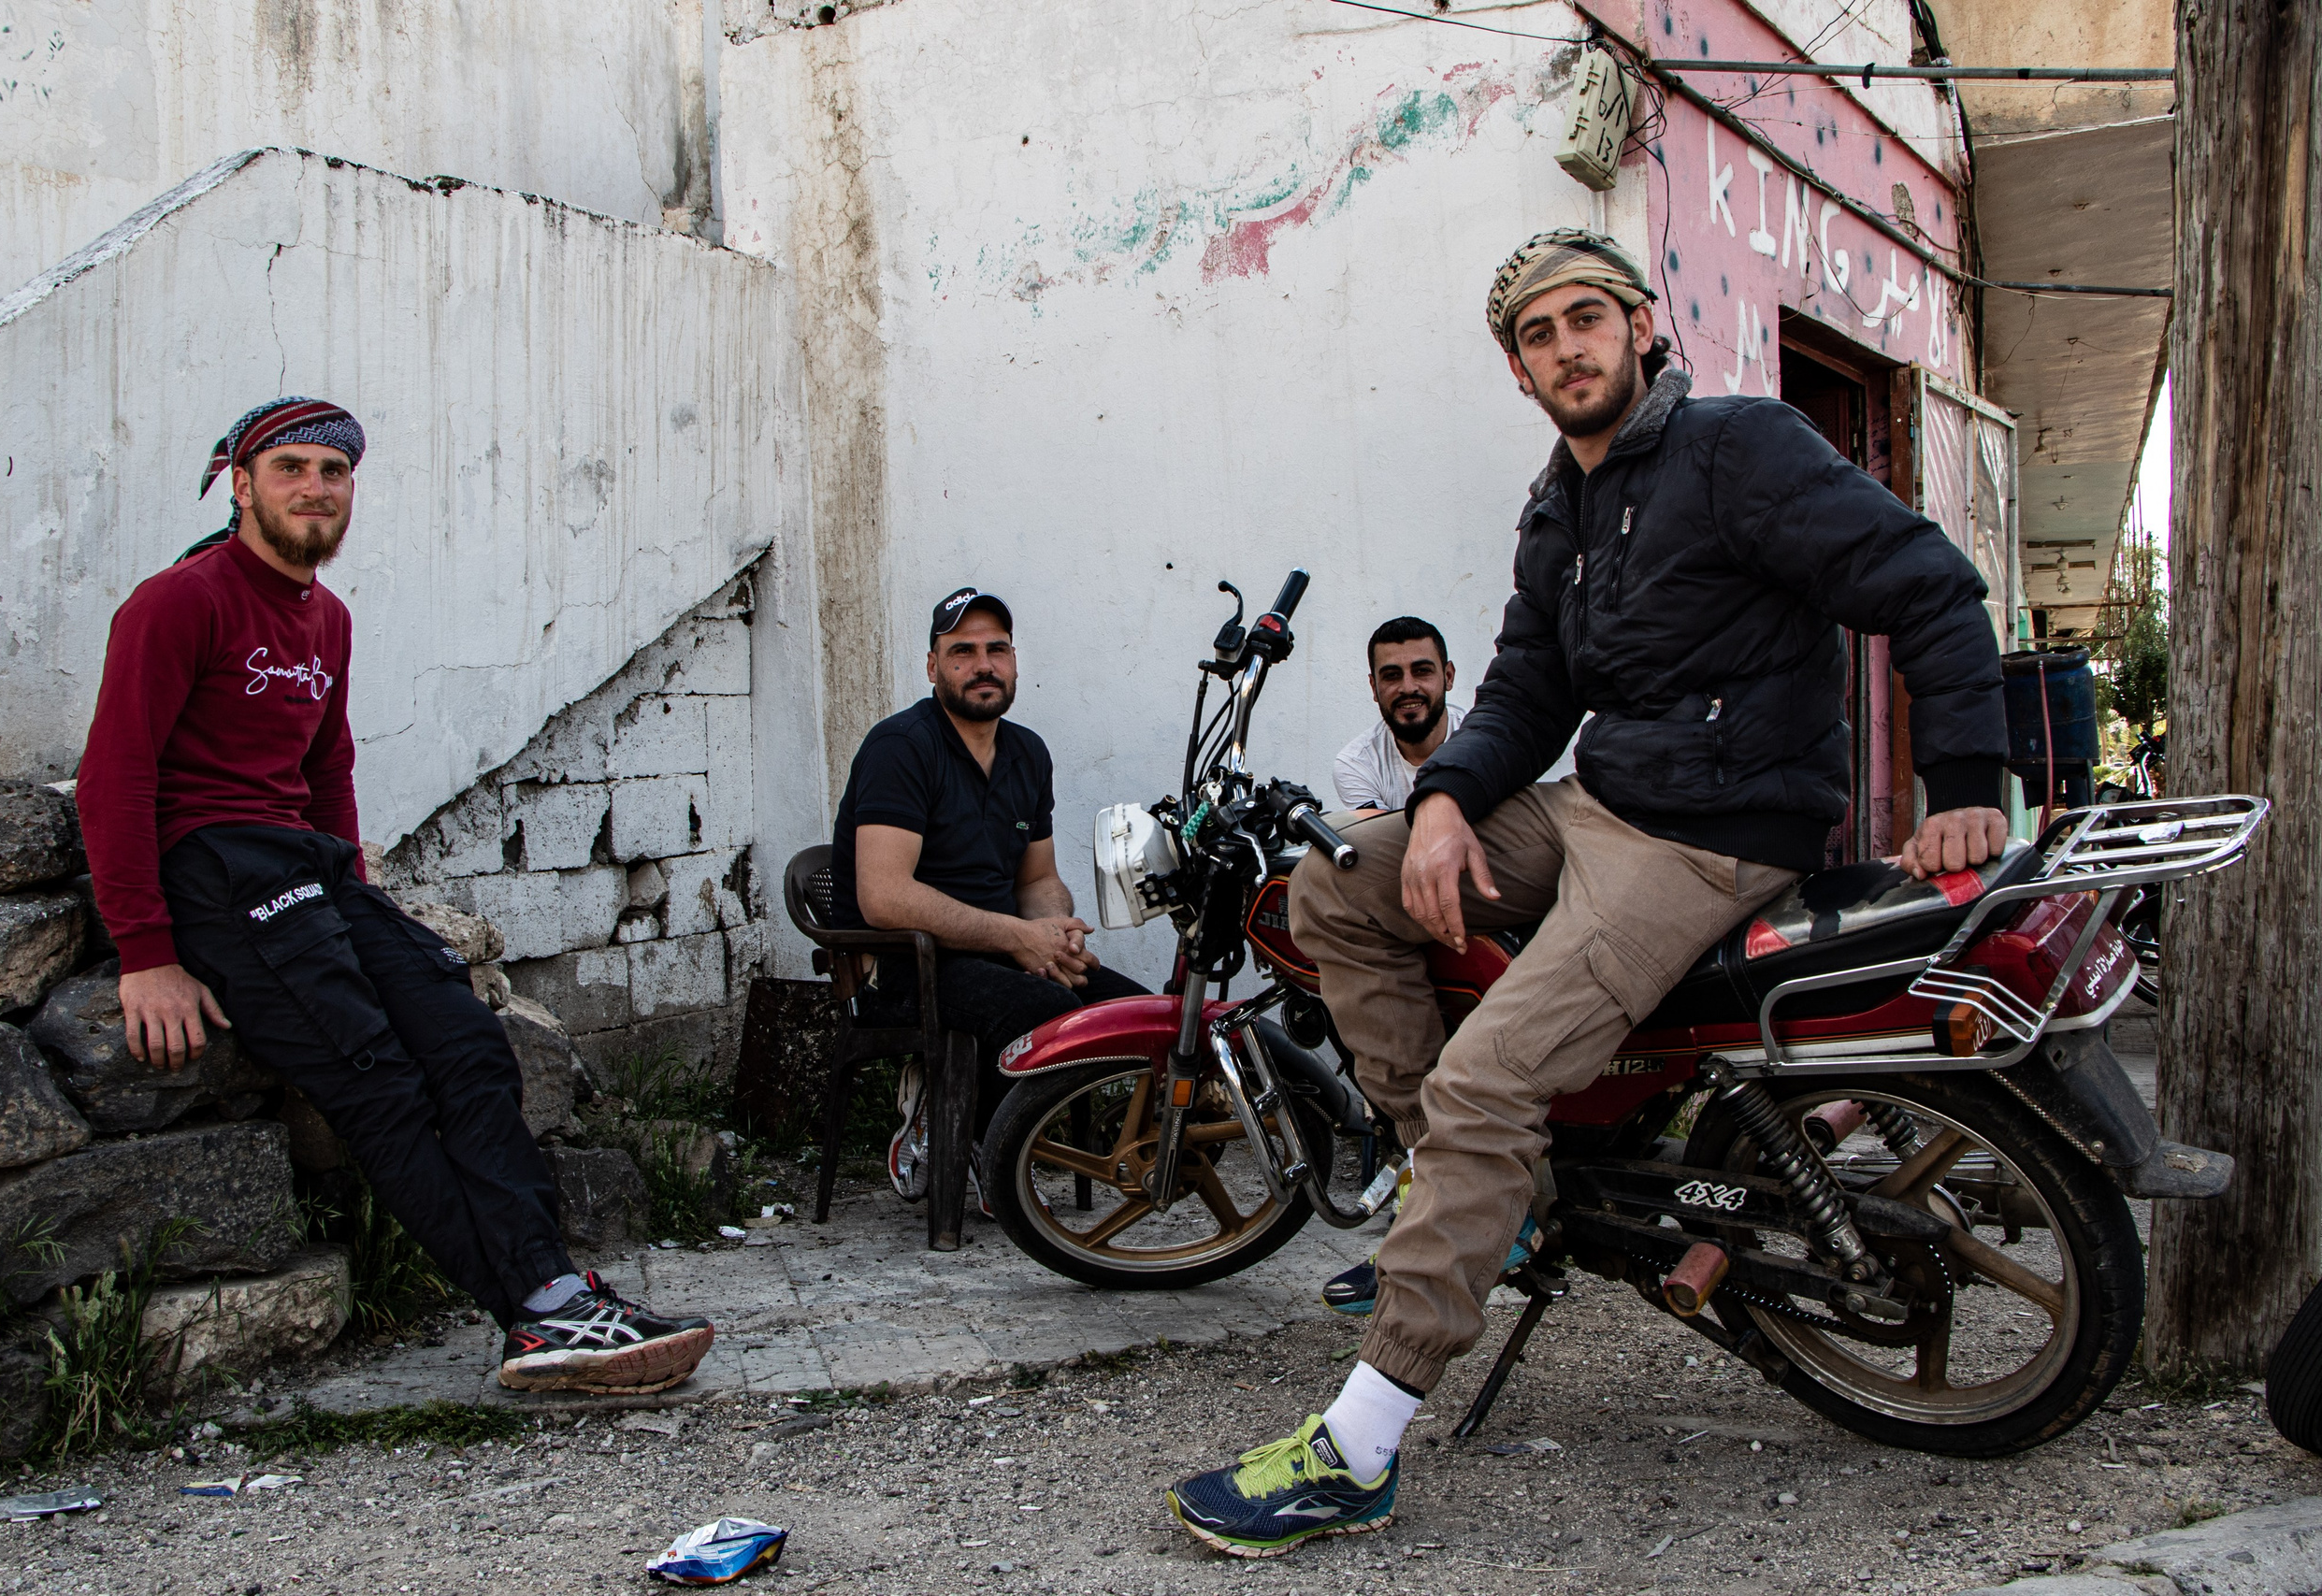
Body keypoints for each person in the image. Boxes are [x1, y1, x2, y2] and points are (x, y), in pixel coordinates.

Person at [1166, 231, 2010, 1555]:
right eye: (1538, 333)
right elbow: (1526, 690)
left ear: (1639, 323)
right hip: (1599, 802)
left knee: (1489, 1076)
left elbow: (1926, 582)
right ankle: (1500, 1196)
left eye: (1586, 319)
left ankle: (1362, 1441)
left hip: (1718, 833)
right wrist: (1440, 801)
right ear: (1517, 367)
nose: (1567, 346)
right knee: (1331, 887)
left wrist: (1968, 771)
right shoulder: (1557, 504)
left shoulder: (1740, 448)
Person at [77, 396, 714, 1396]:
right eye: (290, 470)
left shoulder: (325, 616)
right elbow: (115, 776)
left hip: (310, 870)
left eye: (332, 475)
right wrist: (146, 954)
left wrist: (356, 903)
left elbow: (327, 768)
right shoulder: (179, 602)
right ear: (241, 484)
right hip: (220, 872)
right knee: (377, 1082)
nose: (315, 491)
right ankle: (538, 1316)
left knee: (465, 1043)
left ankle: (557, 1290)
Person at [830, 587, 1147, 1204]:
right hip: (905, 966)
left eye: (997, 648)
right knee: (1038, 1011)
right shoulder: (901, 748)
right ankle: (971, 1137)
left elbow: (1036, 881)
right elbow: (885, 897)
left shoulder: (1027, 752)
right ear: (932, 666)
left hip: (999, 956)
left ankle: (999, 1133)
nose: (983, 664)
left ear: (1015, 662)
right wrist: (1017, 937)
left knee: (1132, 1016)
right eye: (963, 651)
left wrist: (1056, 934)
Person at [1331, 617, 1465, 815]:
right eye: (1392, 675)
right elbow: (1383, 843)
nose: (1408, 688)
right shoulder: (1357, 764)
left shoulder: (1488, 741)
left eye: (1422, 671)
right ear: (1374, 687)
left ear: (1448, 677)